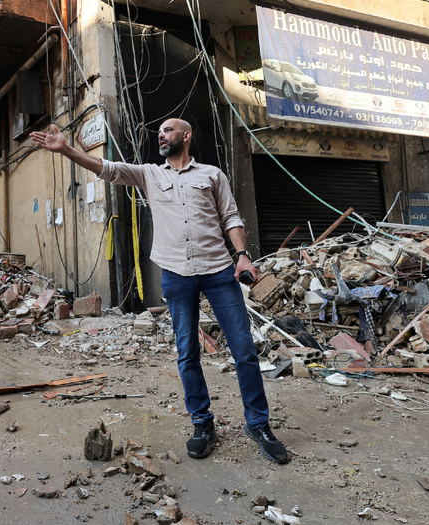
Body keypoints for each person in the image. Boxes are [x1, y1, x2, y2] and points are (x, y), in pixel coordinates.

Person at [30, 119, 289, 464]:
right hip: (177, 275)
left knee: (243, 350)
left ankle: (258, 424)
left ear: (186, 135)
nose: (161, 135)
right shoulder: (149, 174)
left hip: (218, 271)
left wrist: (242, 256)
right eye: (159, 133)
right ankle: (202, 424)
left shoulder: (212, 175)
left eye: (168, 130)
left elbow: (231, 218)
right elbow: (105, 167)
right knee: (187, 353)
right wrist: (66, 151)